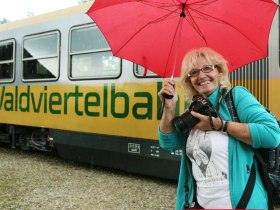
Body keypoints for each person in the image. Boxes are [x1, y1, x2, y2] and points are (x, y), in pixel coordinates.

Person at [158, 47, 280, 209]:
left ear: (219, 72)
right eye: (193, 72)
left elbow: (272, 134)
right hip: (201, 204)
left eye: (207, 68)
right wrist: (169, 108)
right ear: (189, 81)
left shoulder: (236, 97)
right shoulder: (193, 110)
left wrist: (219, 125)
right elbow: (169, 143)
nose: (201, 76)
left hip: (242, 203)